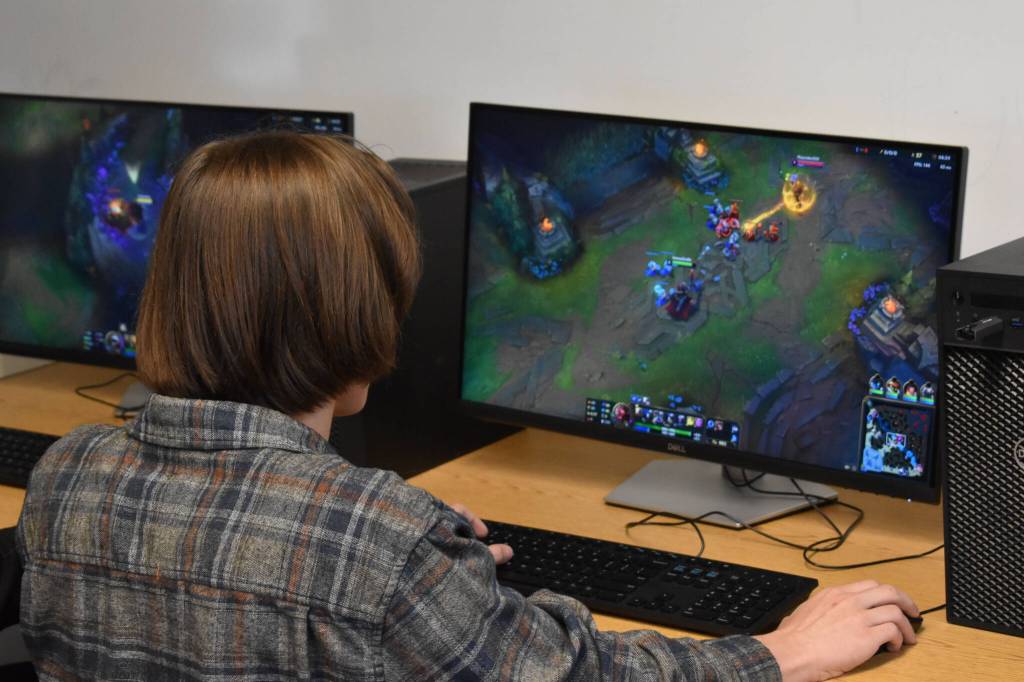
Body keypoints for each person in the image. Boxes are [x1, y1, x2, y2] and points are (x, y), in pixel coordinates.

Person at [18, 131, 919, 681]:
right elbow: (580, 676)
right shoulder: (372, 538)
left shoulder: (67, 475)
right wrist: (784, 653)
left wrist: (428, 563)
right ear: (362, 308)